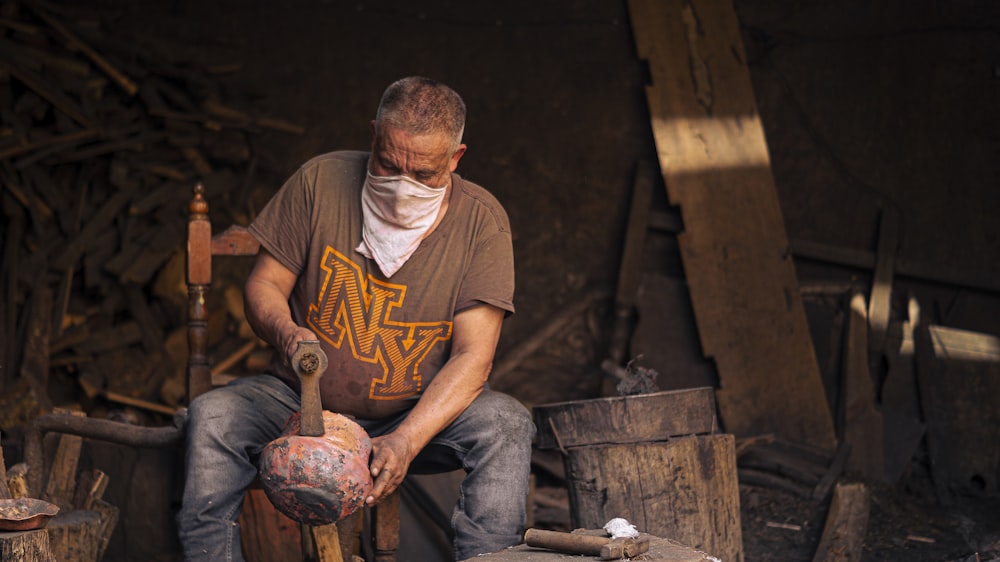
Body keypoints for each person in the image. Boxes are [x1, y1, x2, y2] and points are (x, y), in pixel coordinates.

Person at [177, 76, 535, 561]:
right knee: (212, 417)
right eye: (389, 164)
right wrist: (287, 334)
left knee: (506, 425)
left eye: (425, 173)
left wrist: (406, 441)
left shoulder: (482, 224)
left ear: (456, 158)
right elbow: (263, 286)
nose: (404, 184)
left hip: (415, 413)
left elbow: (475, 357)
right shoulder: (319, 181)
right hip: (298, 402)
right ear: (373, 136)